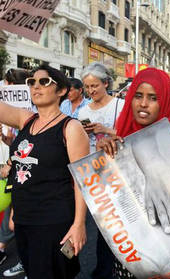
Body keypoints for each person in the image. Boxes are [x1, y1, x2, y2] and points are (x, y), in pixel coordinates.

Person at [97, 67, 170, 278]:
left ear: (165, 101)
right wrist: (104, 157)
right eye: (138, 96)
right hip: (134, 256)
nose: (143, 104)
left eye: (153, 98)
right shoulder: (119, 141)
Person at [0, 64, 89, 279]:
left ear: (61, 91)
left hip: (54, 220)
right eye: (31, 82)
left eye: (44, 81)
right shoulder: (26, 119)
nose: (36, 86)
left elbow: (82, 180)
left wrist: (79, 224)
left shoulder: (71, 127)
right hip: (23, 218)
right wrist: (14, 213)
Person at [78, 62, 124, 278]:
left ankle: (119, 266)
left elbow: (128, 135)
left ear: (106, 83)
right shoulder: (83, 111)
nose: (91, 91)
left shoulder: (120, 105)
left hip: (119, 170)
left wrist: (105, 130)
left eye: (94, 85)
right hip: (94, 172)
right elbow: (79, 143)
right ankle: (104, 269)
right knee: (104, 225)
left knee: (121, 222)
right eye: (87, 87)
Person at [0, 68, 29, 277]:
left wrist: (10, 162)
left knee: (18, 218)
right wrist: (9, 142)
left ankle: (28, 261)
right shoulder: (9, 112)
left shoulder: (31, 113)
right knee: (11, 218)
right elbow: (15, 143)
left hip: (24, 171)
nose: (6, 88)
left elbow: (27, 146)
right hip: (11, 167)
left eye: (10, 84)